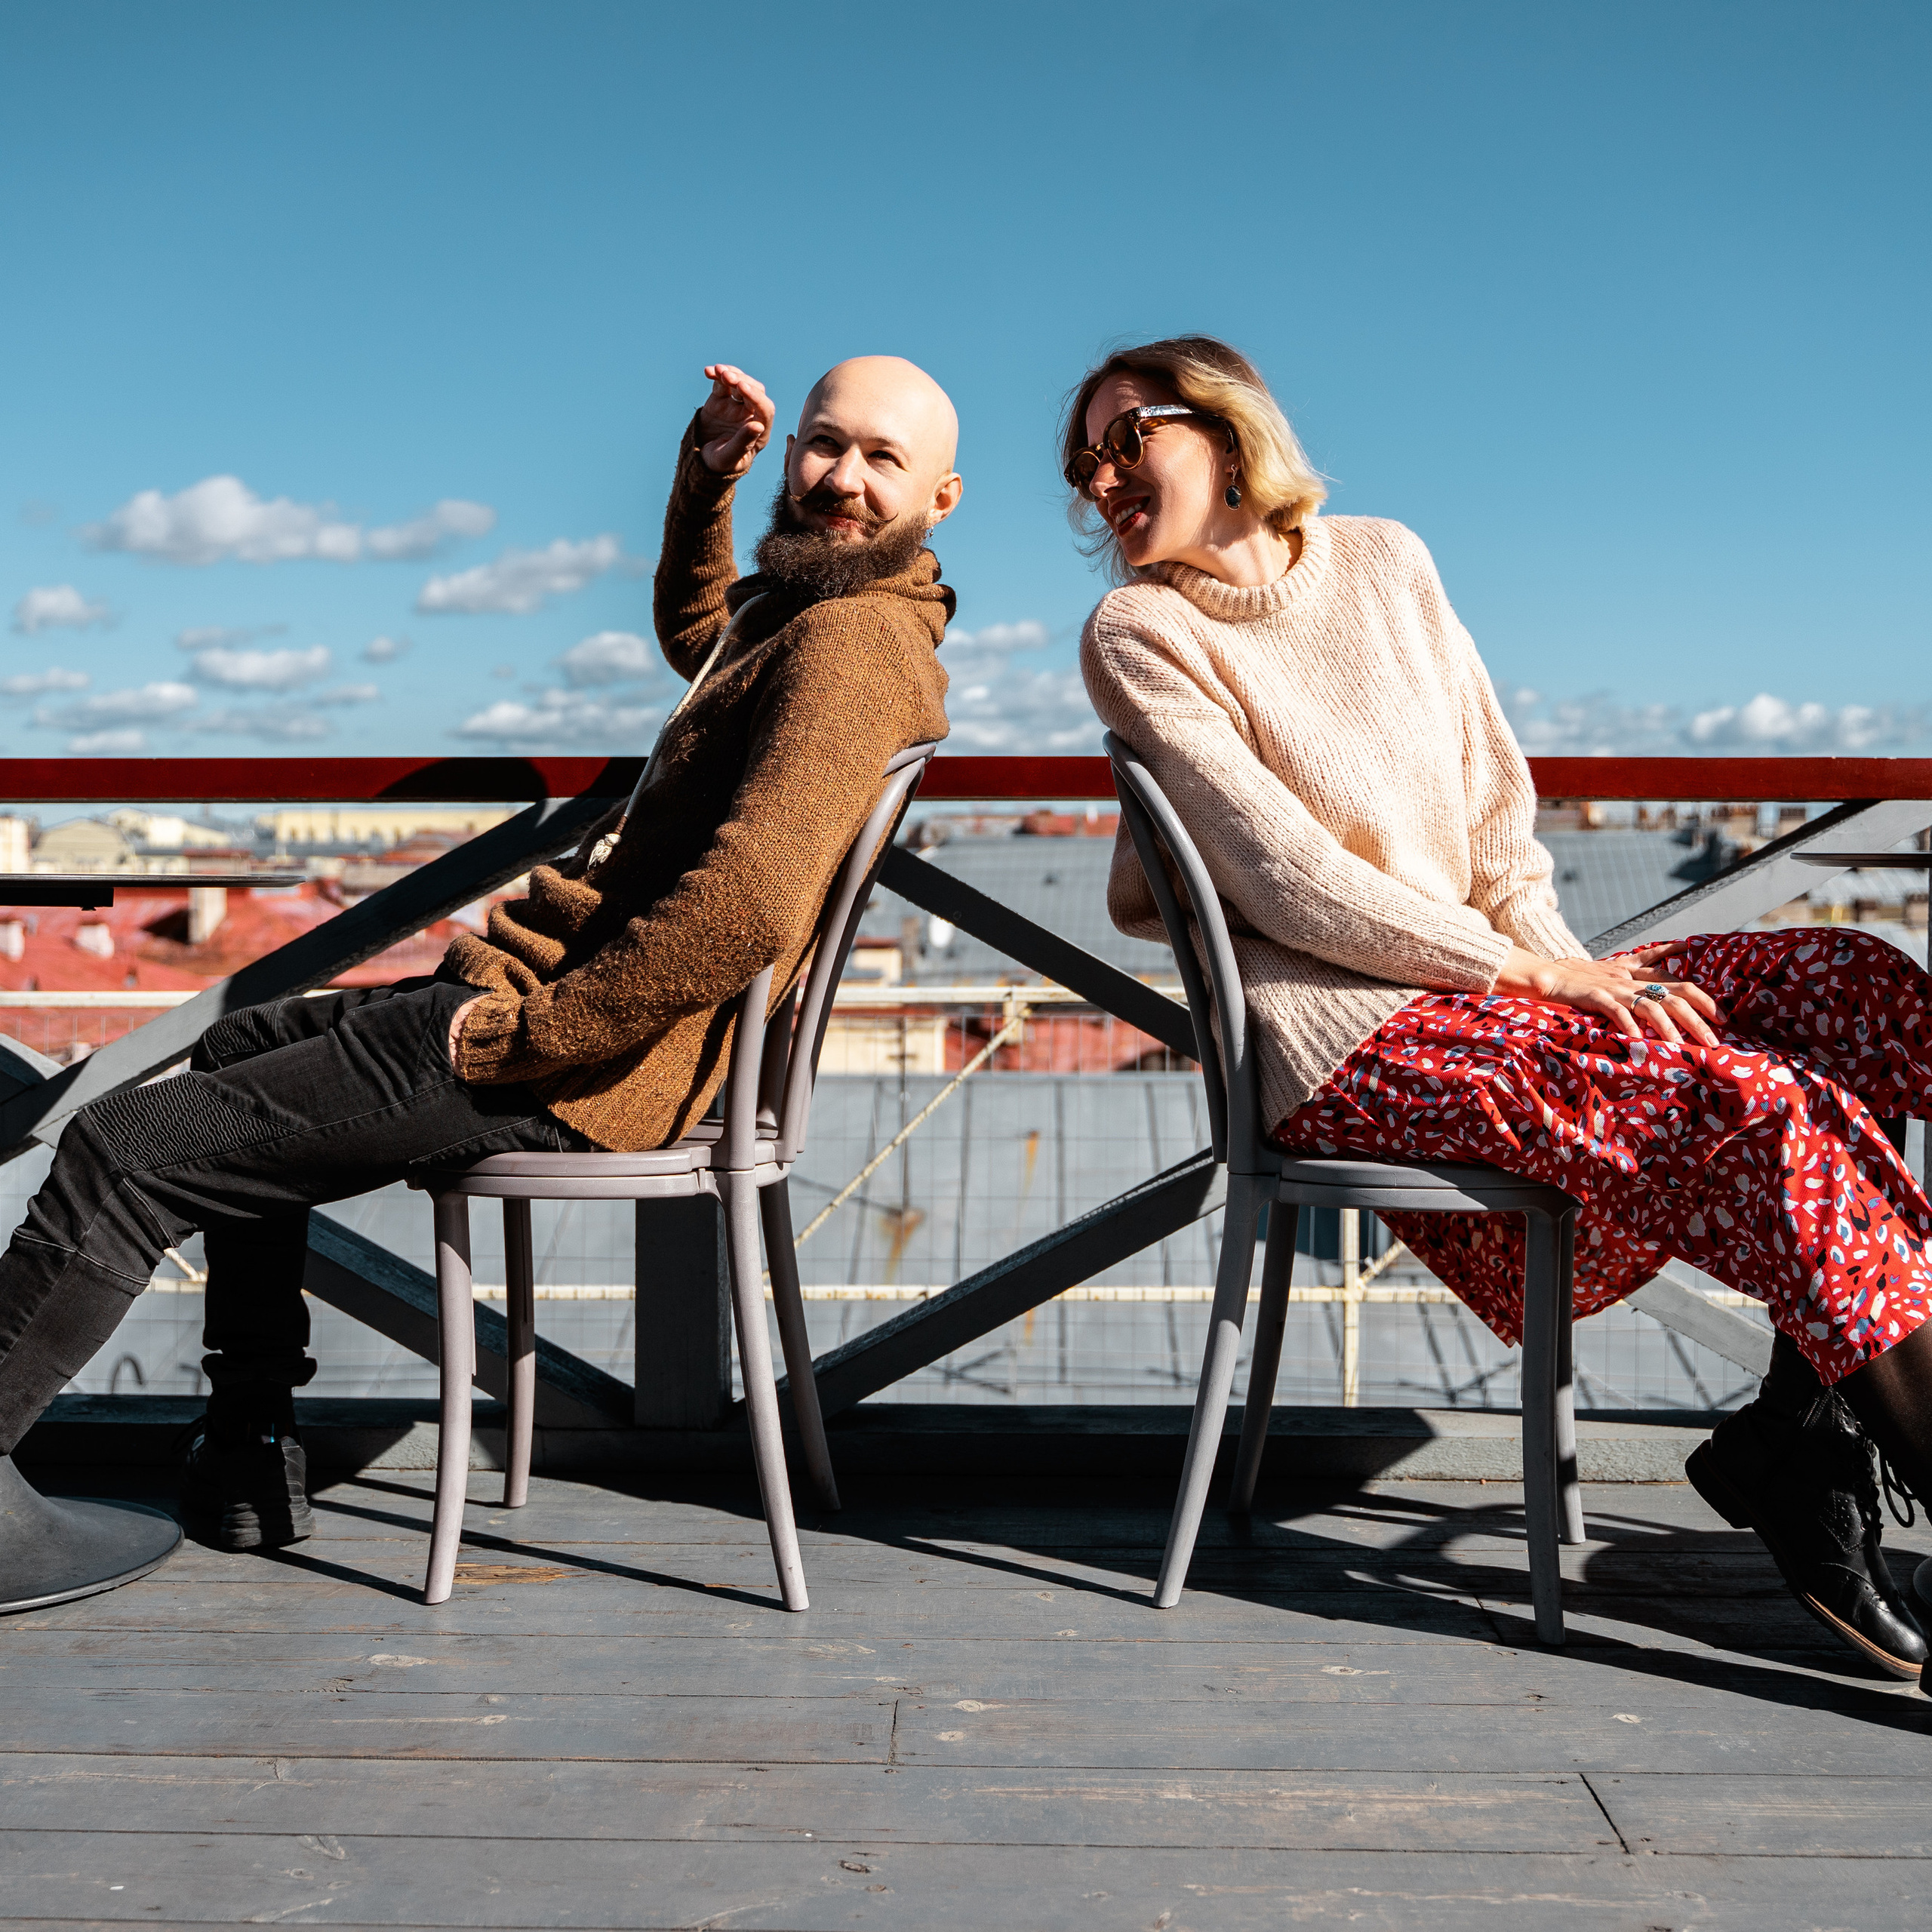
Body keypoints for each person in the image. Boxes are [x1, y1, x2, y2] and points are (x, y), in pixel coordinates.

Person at [1070, 333, 1932, 1686]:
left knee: (1863, 991)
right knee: (1763, 1110)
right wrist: (1529, 976)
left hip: (1509, 985)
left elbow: (1495, 813)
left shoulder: (1389, 562)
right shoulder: (1141, 631)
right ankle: (1839, 1453)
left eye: (1132, 438)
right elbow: (1289, 880)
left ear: (1230, 432)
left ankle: (1800, 1439)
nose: (1102, 475)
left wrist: (1563, 962)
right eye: (1083, 462)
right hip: (1353, 1039)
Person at [0, 355, 961, 1552]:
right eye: (828, 443)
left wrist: (530, 1038)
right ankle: (248, 1450)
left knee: (122, 1149)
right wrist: (708, 479)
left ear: (942, 497)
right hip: (572, 1027)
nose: (842, 477)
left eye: (884, 459)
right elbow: (698, 637)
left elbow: (748, 906)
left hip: (586, 1063)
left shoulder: (853, 648)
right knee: (239, 1042)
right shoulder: (809, 616)